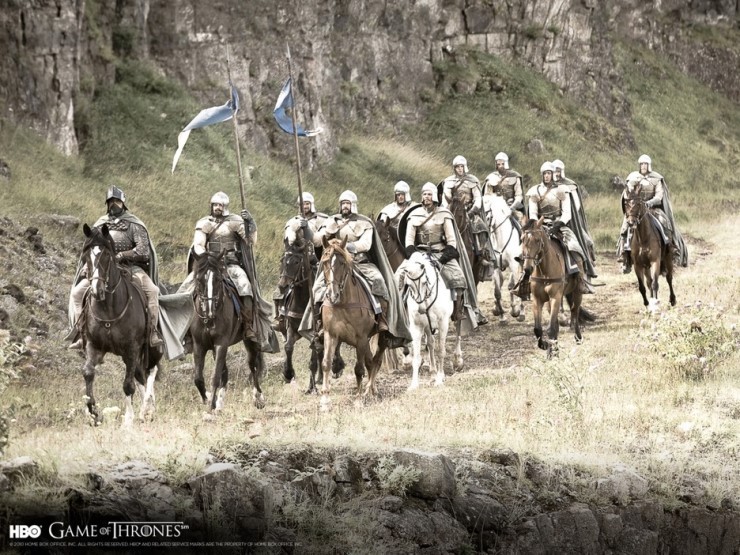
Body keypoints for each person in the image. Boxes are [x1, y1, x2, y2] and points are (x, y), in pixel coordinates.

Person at [310, 190, 409, 347]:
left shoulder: (364, 223)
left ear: (353, 205)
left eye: (347, 203)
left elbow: (366, 244)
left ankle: (382, 321)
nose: (345, 206)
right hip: (338, 264)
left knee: (379, 282)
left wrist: (346, 246)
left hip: (360, 262)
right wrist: (310, 232)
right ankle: (319, 324)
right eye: (343, 203)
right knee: (317, 288)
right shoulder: (332, 221)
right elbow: (317, 240)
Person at [69, 186, 162, 348]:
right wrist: (88, 267)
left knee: (153, 291)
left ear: (123, 203)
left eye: (117, 201)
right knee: (76, 293)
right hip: (102, 269)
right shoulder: (100, 224)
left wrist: (122, 255)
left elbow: (143, 251)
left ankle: (152, 332)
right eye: (111, 201)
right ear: (107, 204)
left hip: (130, 268)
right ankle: (81, 333)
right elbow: (91, 249)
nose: (114, 204)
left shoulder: (134, 224)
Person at [178, 191, 259, 341]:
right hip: (210, 264)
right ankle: (186, 331)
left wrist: (250, 224)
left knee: (245, 286)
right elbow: (198, 244)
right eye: (215, 205)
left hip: (231, 264)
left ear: (225, 206)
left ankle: (248, 325)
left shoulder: (235, 221)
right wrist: (207, 259)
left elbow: (250, 241)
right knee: (185, 289)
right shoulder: (204, 223)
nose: (217, 208)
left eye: (220, 205)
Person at [402, 182, 481, 326]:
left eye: (429, 194)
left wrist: (443, 259)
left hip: (440, 253)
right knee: (399, 278)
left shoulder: (444, 214)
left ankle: (457, 311)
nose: (427, 197)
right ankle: (401, 312)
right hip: (419, 254)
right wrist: (415, 256)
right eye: (424, 194)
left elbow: (451, 241)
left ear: (434, 197)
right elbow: (409, 241)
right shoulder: (413, 215)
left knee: (459, 278)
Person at [523, 162, 595, 294]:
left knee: (575, 248)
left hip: (559, 226)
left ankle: (580, 280)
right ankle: (523, 281)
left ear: (552, 175)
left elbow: (567, 213)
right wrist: (537, 224)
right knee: (525, 248)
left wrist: (558, 225)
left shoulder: (562, 190)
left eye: (549, 173)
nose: (546, 176)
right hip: (540, 226)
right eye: (544, 174)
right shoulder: (535, 191)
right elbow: (532, 212)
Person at [617, 154, 688, 273]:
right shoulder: (633, 178)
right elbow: (629, 193)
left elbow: (659, 196)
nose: (643, 166)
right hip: (636, 210)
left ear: (649, 165)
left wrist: (649, 203)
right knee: (625, 226)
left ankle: (670, 247)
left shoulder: (656, 178)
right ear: (639, 165)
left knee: (665, 222)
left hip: (653, 208)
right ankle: (624, 254)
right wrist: (635, 202)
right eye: (642, 164)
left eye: (645, 164)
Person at [272, 192, 327, 332]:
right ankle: (281, 315)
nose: (304, 206)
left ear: (311, 204)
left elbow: (319, 241)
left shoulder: (322, 220)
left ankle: (324, 317)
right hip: (297, 258)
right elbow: (289, 238)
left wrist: (307, 228)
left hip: (316, 260)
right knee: (284, 282)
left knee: (325, 287)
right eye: (302, 204)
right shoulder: (293, 221)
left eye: (307, 204)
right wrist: (295, 229)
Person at [440, 155, 494, 280]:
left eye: (461, 166)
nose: (460, 169)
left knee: (480, 227)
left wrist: (472, 211)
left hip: (470, 211)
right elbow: (445, 199)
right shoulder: (448, 181)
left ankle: (482, 254)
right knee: (441, 229)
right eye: (457, 167)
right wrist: (448, 211)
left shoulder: (473, 180)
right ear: (454, 168)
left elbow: (478, 199)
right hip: (453, 211)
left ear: (465, 167)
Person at [552, 159, 596, 269]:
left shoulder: (570, 185)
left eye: (558, 171)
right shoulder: (549, 185)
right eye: (554, 171)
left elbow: (576, 204)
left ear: (562, 171)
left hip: (570, 219)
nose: (556, 174)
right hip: (551, 219)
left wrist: (564, 217)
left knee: (586, 240)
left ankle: (587, 262)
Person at [482, 152, 525, 223]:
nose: (500, 166)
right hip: (495, 209)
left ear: (506, 163)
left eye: (502, 164)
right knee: (485, 223)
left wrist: (512, 208)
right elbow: (487, 197)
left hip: (511, 206)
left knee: (522, 222)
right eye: (498, 164)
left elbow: (519, 196)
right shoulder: (491, 178)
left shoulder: (514, 176)